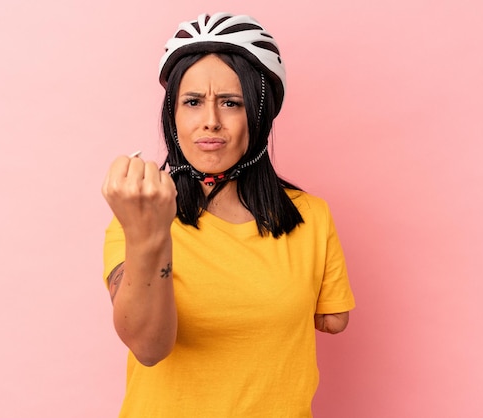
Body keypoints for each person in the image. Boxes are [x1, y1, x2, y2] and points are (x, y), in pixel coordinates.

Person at [102, 12, 355, 417]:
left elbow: (334, 318)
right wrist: (148, 232)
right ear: (173, 115)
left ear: (259, 115)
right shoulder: (139, 216)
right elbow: (149, 348)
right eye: (193, 102)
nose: (210, 122)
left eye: (231, 103)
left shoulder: (312, 215)